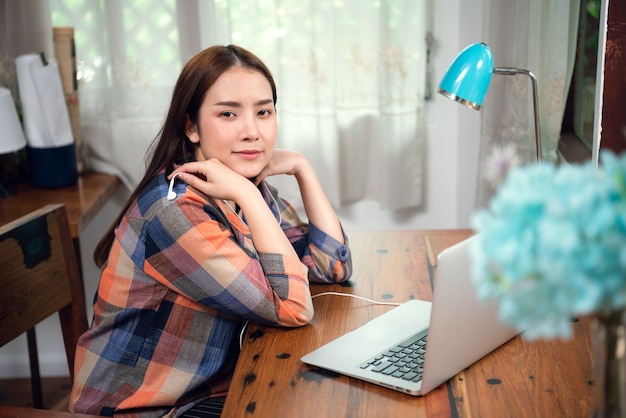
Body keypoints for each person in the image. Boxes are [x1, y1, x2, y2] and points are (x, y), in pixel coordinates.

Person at [70, 44, 352, 417]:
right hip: (144, 410)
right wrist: (246, 193)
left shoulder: (238, 186)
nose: (252, 131)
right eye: (228, 114)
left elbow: (331, 267)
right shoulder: (174, 212)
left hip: (208, 391)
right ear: (191, 126)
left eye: (264, 112)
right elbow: (294, 307)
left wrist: (302, 168)